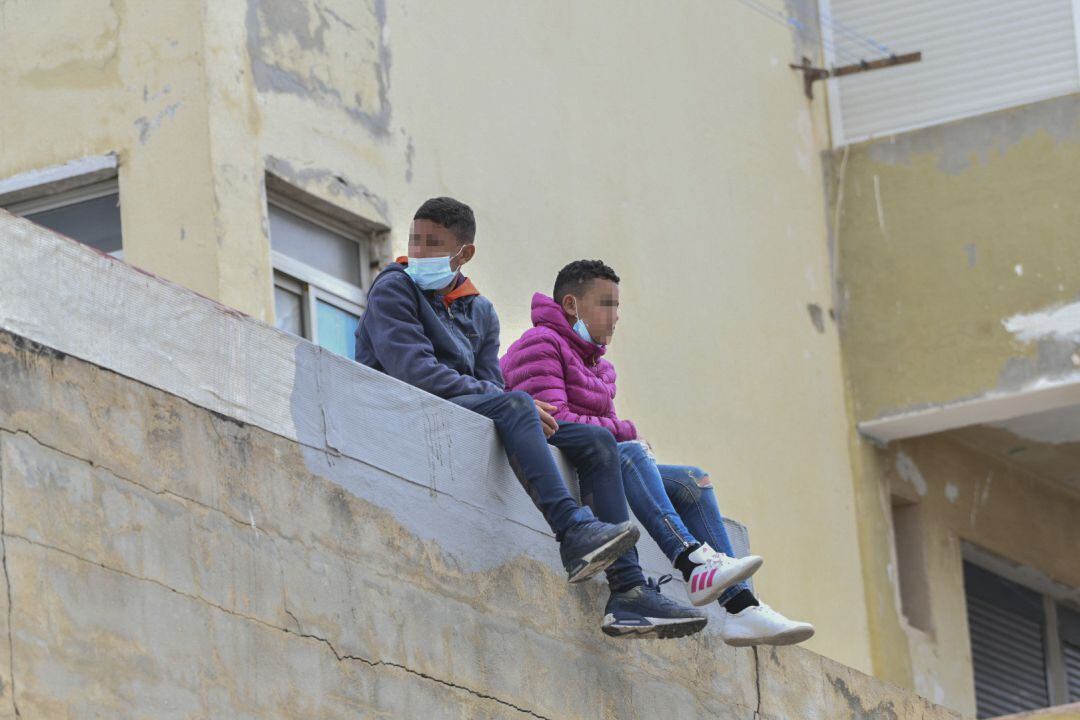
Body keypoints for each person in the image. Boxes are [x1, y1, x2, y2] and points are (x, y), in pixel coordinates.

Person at [355, 199, 705, 638]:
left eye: (434, 244)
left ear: (464, 254)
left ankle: (629, 592)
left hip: (466, 413)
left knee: (599, 444)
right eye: (415, 240)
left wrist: (510, 404)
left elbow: (489, 384)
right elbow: (414, 371)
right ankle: (573, 531)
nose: (419, 252)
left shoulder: (480, 311)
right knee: (519, 404)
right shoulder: (394, 287)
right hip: (406, 407)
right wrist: (511, 403)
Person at [500, 259, 815, 646]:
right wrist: (626, 432)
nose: (616, 317)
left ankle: (744, 609)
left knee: (691, 481)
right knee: (630, 450)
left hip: (600, 464)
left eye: (618, 306)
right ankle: (691, 560)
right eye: (606, 304)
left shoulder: (599, 367)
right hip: (558, 462)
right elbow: (557, 422)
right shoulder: (540, 343)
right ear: (571, 305)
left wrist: (622, 437)